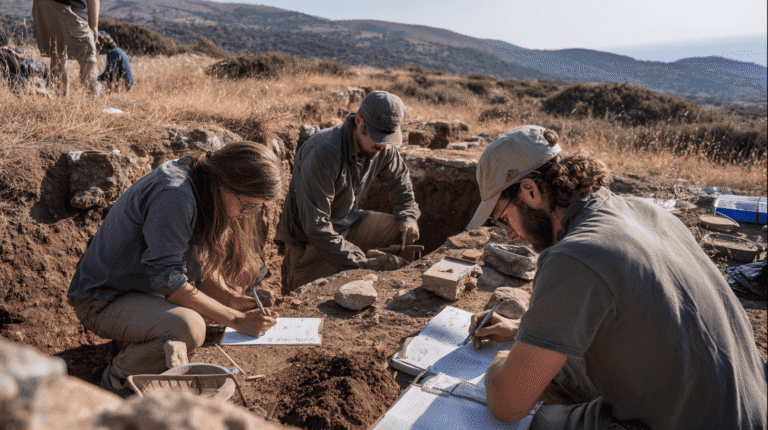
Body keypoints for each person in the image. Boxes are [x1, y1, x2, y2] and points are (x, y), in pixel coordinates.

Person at [466, 125, 767, 429]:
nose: (510, 234)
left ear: (529, 190)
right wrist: (522, 330)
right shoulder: (646, 212)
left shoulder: (574, 256)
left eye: (504, 217)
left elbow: (508, 403)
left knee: (535, 421)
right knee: (563, 371)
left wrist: (499, 366)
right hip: (750, 410)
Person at [67, 142, 283, 397]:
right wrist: (236, 320)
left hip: (142, 295)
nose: (245, 215)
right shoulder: (175, 195)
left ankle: (129, 345)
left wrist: (231, 301)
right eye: (246, 206)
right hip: (102, 300)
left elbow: (196, 267)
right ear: (225, 184)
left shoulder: (204, 187)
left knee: (207, 310)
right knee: (188, 327)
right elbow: (168, 280)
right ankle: (117, 384)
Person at [279, 90, 421, 291]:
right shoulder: (324, 153)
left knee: (400, 229)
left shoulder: (383, 147)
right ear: (359, 120)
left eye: (386, 137)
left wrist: (408, 216)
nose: (381, 144)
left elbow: (401, 181)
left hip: (348, 223)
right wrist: (362, 262)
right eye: (375, 135)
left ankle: (388, 288)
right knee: (306, 304)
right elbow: (316, 227)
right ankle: (347, 272)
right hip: (311, 242)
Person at [32, 0, 100, 96]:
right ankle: (93, 100)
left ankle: (59, 101)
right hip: (64, 5)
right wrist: (94, 26)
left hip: (43, 6)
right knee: (88, 58)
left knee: (57, 53)